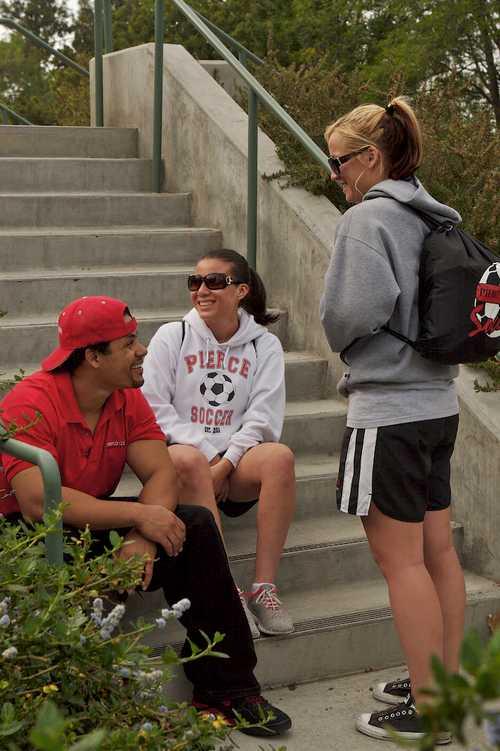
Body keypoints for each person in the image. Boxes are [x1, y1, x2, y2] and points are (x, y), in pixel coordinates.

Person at [0, 295, 292, 737]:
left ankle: (227, 690)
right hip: (26, 539)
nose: (142, 351)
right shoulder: (31, 401)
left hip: (88, 525)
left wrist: (142, 533)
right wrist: (138, 517)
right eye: (128, 343)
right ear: (92, 357)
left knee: (194, 526)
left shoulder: (125, 396)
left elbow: (161, 471)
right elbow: (40, 502)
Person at [320, 98, 464, 744]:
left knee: (400, 562)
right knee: (438, 552)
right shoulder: (432, 214)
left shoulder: (367, 219)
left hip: (389, 413)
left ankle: (428, 708)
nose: (335, 176)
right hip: (439, 404)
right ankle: (441, 676)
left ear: (370, 158)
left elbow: (347, 315)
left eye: (339, 162)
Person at [141, 249, 296, 638]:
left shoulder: (264, 346)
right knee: (187, 459)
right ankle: (227, 592)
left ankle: (264, 587)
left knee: (279, 457)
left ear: (241, 290)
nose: (202, 290)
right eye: (195, 282)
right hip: (187, 464)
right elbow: (155, 408)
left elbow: (263, 418)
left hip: (234, 466)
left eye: (215, 282)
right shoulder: (172, 336)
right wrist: (210, 456)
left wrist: (227, 464)